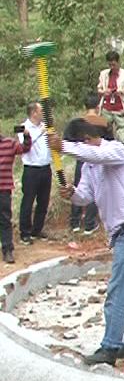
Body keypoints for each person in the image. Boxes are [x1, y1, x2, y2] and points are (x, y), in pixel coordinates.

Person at [49, 115, 124, 366]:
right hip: (122, 233)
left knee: (118, 290)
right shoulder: (89, 167)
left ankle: (110, 348)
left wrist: (62, 147)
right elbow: (85, 196)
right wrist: (71, 194)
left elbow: (95, 155)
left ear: (85, 141)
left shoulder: (116, 150)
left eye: (80, 146)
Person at [64, 93, 107, 235]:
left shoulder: (76, 123)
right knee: (94, 189)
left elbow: (66, 141)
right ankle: (89, 223)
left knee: (77, 188)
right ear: (97, 106)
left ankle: (75, 222)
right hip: (95, 160)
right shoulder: (102, 122)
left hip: (80, 159)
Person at [18, 101, 52, 245]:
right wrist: (40, 132)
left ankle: (37, 229)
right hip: (31, 169)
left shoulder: (45, 127)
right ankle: (24, 232)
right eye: (40, 111)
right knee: (28, 201)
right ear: (34, 113)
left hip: (45, 167)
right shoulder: (22, 127)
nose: (43, 114)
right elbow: (26, 146)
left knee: (43, 201)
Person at [0, 125, 31, 263]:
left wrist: (26, 136)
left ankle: (7, 250)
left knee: (5, 220)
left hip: (4, 189)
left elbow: (25, 148)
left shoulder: (9, 143)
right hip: (4, 189)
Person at [97, 50, 124, 147]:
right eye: (110, 65)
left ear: (118, 62)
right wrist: (104, 92)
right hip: (106, 109)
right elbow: (99, 89)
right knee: (105, 136)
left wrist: (122, 92)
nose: (112, 67)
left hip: (120, 108)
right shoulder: (104, 74)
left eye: (114, 64)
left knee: (122, 138)